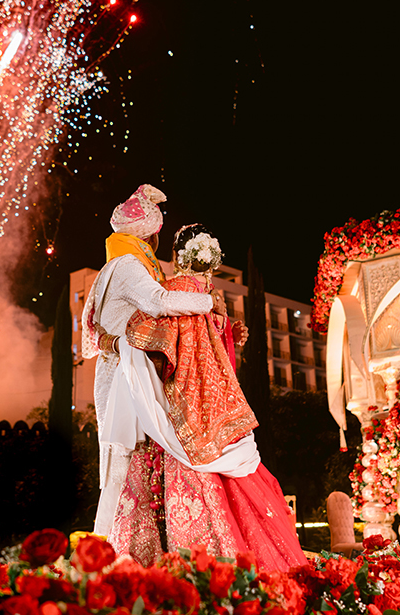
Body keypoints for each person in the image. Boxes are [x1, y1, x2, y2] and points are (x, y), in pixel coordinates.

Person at [107, 224, 306, 571]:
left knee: (159, 482)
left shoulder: (173, 292)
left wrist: (117, 343)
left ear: (177, 255)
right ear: (210, 262)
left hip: (178, 408)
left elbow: (154, 340)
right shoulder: (202, 297)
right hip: (213, 407)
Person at [80, 186, 224, 537]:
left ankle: (132, 546)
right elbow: (159, 302)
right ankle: (108, 546)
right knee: (121, 461)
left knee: (133, 462)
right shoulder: (128, 265)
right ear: (150, 235)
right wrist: (209, 303)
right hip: (122, 377)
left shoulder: (115, 265)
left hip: (126, 371)